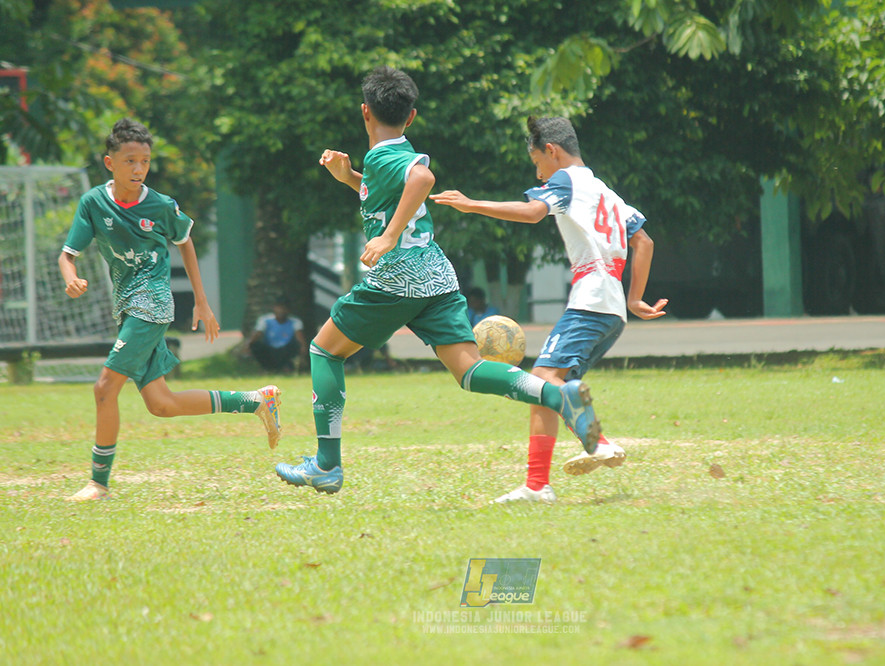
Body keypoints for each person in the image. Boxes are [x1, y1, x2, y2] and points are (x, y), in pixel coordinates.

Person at [273, 66, 600, 495]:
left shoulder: (384, 155)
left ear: (364, 112)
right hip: (436, 276)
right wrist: (349, 179)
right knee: (469, 371)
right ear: (411, 117)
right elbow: (390, 196)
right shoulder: (383, 159)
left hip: (397, 279)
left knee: (323, 351)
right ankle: (558, 397)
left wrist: (388, 238)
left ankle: (326, 465)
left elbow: (422, 178)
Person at [431, 116, 668, 503]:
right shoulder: (604, 190)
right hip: (611, 310)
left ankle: (599, 442)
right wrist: (634, 297)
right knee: (546, 384)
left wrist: (471, 205)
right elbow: (643, 240)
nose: (539, 174)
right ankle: (538, 485)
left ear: (551, 152)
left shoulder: (565, 181)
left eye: (537, 163)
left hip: (589, 302)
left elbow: (532, 213)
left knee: (541, 379)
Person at [58, 118, 282, 502]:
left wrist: (202, 300)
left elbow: (185, 242)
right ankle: (258, 400)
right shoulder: (93, 202)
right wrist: (71, 277)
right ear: (109, 163)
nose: (138, 169)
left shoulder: (160, 205)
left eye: (144, 161)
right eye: (130, 160)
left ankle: (98, 483)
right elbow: (67, 255)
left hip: (152, 304)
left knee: (104, 388)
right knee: (162, 404)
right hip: (127, 307)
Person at [243, 298, 307, 373]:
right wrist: (248, 346)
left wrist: (303, 348)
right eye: (279, 307)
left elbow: (299, 337)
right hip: (270, 350)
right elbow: (257, 334)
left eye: (284, 308)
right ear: (274, 308)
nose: (281, 311)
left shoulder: (295, 322)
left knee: (296, 344)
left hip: (285, 350)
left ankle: (286, 366)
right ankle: (266, 367)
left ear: (288, 310)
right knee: (256, 345)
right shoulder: (265, 320)